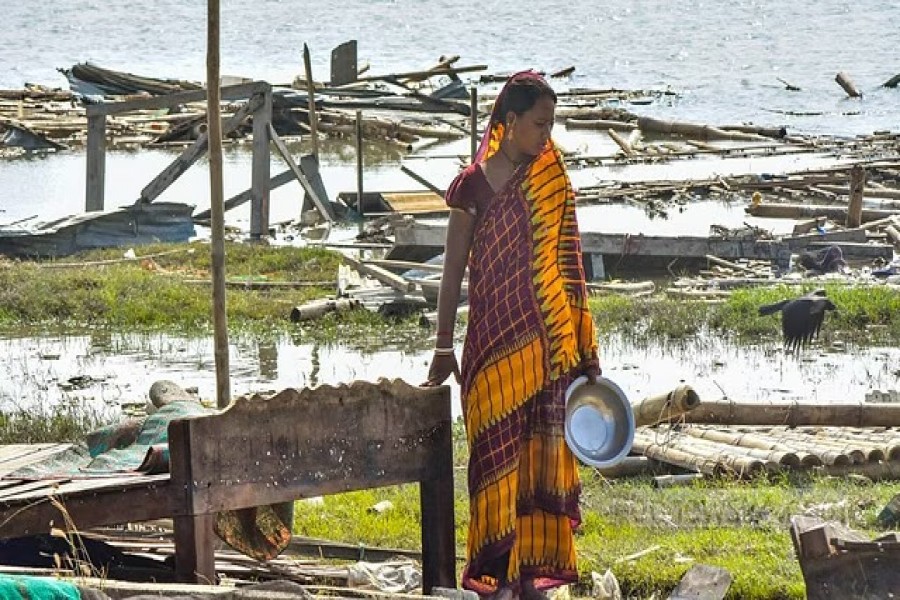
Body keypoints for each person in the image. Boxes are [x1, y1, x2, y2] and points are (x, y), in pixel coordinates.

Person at [424, 71, 600, 600]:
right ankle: (497, 586)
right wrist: (442, 344)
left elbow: (569, 269)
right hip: (492, 356)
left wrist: (586, 353)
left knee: (537, 474)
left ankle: (534, 587)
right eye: (539, 124)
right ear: (509, 123)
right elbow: (453, 272)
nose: (547, 135)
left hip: (549, 353)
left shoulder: (553, 179)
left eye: (552, 125)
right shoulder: (473, 186)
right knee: (494, 473)